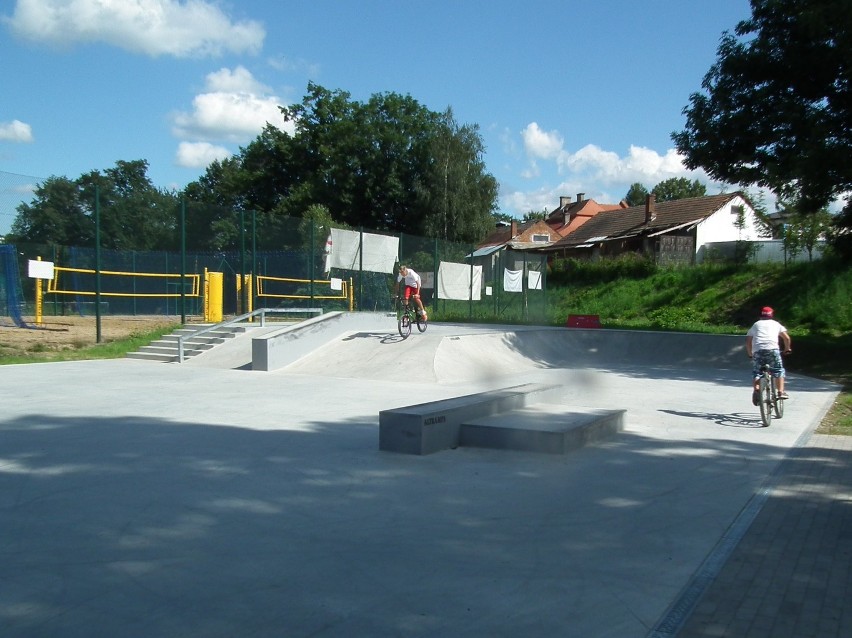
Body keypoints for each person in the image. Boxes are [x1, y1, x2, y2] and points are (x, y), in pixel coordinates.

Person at [745, 306, 792, 405]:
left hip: (758, 351)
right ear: (772, 315)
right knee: (778, 370)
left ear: (761, 315)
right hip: (773, 350)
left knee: (757, 372)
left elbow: (748, 341)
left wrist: (750, 354)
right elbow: (786, 338)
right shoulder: (776, 324)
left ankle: (757, 390)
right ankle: (780, 392)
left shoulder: (756, 324)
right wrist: (787, 349)